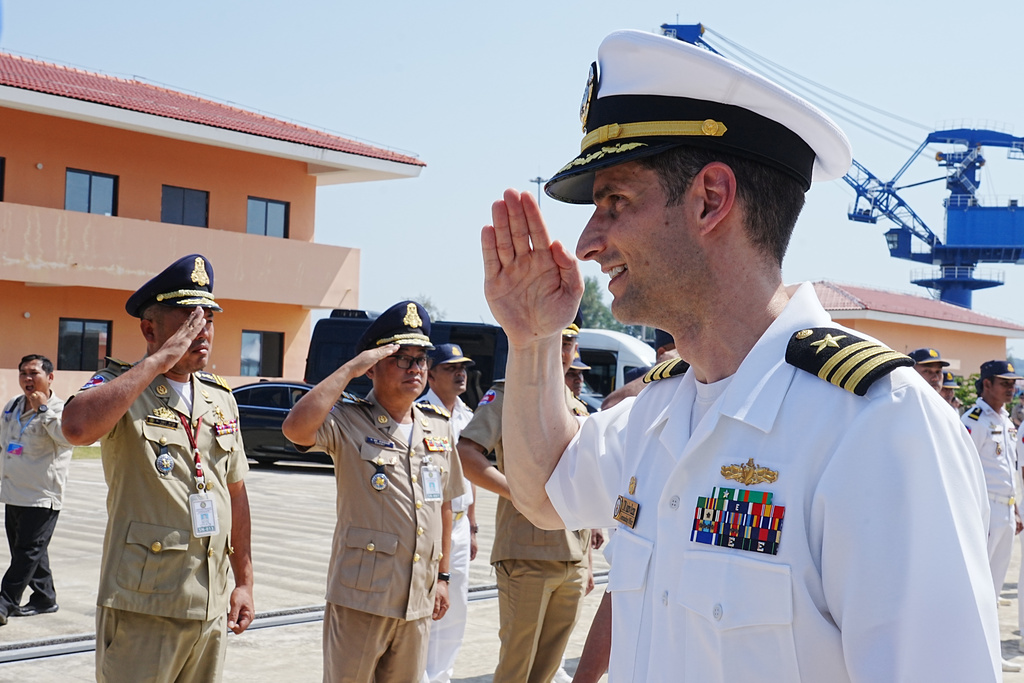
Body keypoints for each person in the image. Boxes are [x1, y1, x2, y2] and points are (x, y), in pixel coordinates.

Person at [481, 29, 998, 681]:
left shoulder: (880, 428)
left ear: (710, 200)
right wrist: (531, 340)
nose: (588, 241)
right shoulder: (659, 412)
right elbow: (546, 489)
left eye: (614, 201)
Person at [60, 254, 254, 682]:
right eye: (188, 319)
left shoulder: (221, 398)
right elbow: (75, 427)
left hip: (209, 600)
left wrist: (243, 582)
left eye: (208, 320)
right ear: (150, 329)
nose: (201, 331)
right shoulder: (122, 386)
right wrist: (157, 362)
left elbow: (235, 495)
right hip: (144, 601)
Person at [282, 301, 465, 683]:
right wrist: (349, 370)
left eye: (421, 359)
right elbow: (295, 429)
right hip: (361, 598)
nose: (415, 368)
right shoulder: (349, 420)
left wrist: (444, 577)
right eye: (402, 358)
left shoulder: (438, 426)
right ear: (374, 366)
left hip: (417, 598)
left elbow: (445, 504)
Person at [458, 316, 591, 683]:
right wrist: (518, 493)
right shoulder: (510, 394)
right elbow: (467, 454)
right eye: (555, 342)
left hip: (572, 557)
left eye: (568, 344)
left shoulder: (577, 407)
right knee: (517, 669)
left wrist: (589, 561)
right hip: (527, 553)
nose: (562, 351)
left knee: (547, 671)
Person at [0, 354, 73, 624]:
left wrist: (44, 411)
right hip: (13, 492)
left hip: (42, 496)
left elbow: (65, 439)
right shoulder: (13, 405)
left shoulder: (62, 409)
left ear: (50, 377)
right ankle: (45, 598)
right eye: (23, 374)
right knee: (29, 551)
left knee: (26, 552)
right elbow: (3, 442)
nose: (27, 379)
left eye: (34, 373)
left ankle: (4, 602)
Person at [419, 343, 477, 683]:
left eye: (463, 368)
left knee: (456, 603)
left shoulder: (466, 416)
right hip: (429, 522)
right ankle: (421, 674)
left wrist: (472, 526)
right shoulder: (420, 413)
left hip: (457, 524)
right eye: (451, 368)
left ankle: (442, 675)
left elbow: (471, 477)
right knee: (427, 599)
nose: (460, 374)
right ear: (431, 373)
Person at [963, 361, 1023, 660]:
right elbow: (964, 468)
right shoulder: (974, 420)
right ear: (986, 384)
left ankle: (989, 654)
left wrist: (1015, 512)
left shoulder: (1005, 420)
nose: (1011, 388)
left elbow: (1008, 471)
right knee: (978, 586)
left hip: (1006, 510)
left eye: (1013, 383)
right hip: (984, 509)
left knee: (995, 588)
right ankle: (970, 653)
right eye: (1004, 383)